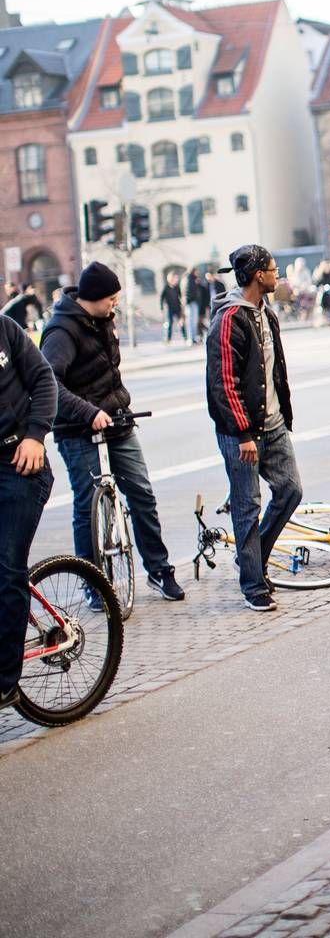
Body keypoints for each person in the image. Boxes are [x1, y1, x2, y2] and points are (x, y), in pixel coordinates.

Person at [42, 262, 185, 601]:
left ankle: (159, 569)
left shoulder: (105, 320)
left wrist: (113, 408)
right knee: (86, 505)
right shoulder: (61, 332)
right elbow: (48, 383)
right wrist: (88, 412)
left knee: (142, 494)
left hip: (118, 422)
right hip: (77, 430)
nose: (115, 305)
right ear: (92, 298)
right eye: (111, 299)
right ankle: (93, 583)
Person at [206, 245, 302, 612]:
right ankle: (252, 583)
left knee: (290, 490)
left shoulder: (267, 314)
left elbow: (274, 371)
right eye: (274, 270)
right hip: (242, 432)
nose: (278, 276)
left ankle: (252, 558)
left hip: (274, 424)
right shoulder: (230, 319)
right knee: (246, 506)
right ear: (258, 275)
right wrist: (243, 433)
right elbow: (223, 383)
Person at [0, 312, 58, 710]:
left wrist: (35, 435)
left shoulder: (4, 330)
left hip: (21, 463)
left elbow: (44, 379)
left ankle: (5, 681)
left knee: (5, 567)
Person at [185, 267, 210, 345]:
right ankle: (191, 338)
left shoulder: (195, 280)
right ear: (193, 271)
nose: (198, 273)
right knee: (192, 321)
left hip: (196, 303)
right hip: (192, 303)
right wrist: (191, 300)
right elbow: (188, 292)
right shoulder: (189, 279)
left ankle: (194, 338)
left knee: (195, 321)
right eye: (197, 271)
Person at [160, 272, 185, 344]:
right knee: (170, 323)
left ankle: (185, 336)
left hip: (177, 307)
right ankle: (168, 339)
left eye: (175, 279)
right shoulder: (166, 287)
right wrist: (161, 307)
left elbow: (180, 296)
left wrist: (182, 304)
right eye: (173, 279)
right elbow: (162, 298)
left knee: (181, 322)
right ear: (169, 279)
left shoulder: (177, 287)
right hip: (169, 308)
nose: (175, 280)